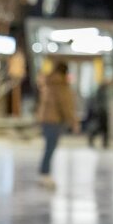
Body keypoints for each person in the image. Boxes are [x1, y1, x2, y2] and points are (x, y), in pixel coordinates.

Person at [37, 62, 77, 190]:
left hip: (46, 119)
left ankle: (44, 172)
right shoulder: (60, 85)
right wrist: (73, 121)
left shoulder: (49, 83)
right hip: (54, 120)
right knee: (50, 147)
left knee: (49, 147)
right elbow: (65, 105)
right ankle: (45, 173)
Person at [87, 79, 110, 149]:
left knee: (104, 129)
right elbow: (98, 102)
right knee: (100, 127)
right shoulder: (100, 91)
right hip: (101, 112)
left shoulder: (104, 91)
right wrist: (99, 111)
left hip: (103, 111)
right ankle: (92, 138)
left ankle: (105, 142)